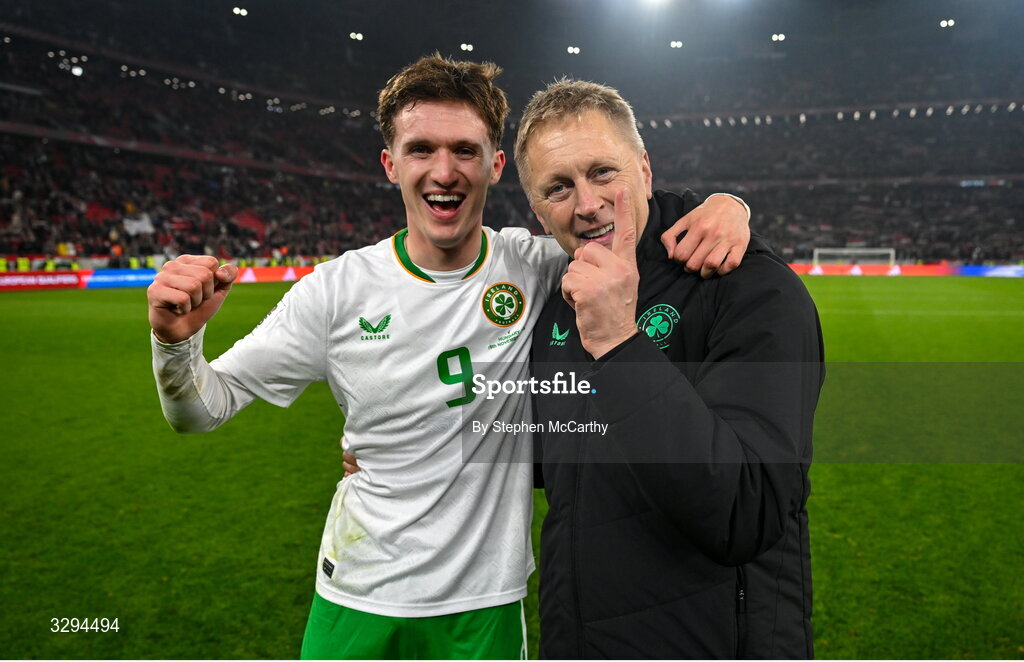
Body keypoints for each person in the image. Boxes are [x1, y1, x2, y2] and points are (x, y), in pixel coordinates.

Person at [148, 55, 750, 660]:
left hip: (484, 608)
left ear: (495, 165)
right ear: (390, 164)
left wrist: (727, 204)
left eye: (464, 150)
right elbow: (201, 409)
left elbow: (622, 218)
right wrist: (176, 343)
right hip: (357, 596)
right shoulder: (333, 292)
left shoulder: (538, 265)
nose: (444, 172)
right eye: (420, 150)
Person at [515, 80, 825, 658]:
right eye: (558, 187)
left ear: (645, 169)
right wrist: (395, 441)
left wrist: (619, 343)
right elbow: (551, 456)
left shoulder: (749, 287)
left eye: (603, 172)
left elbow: (745, 510)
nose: (585, 204)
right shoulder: (559, 296)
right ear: (537, 210)